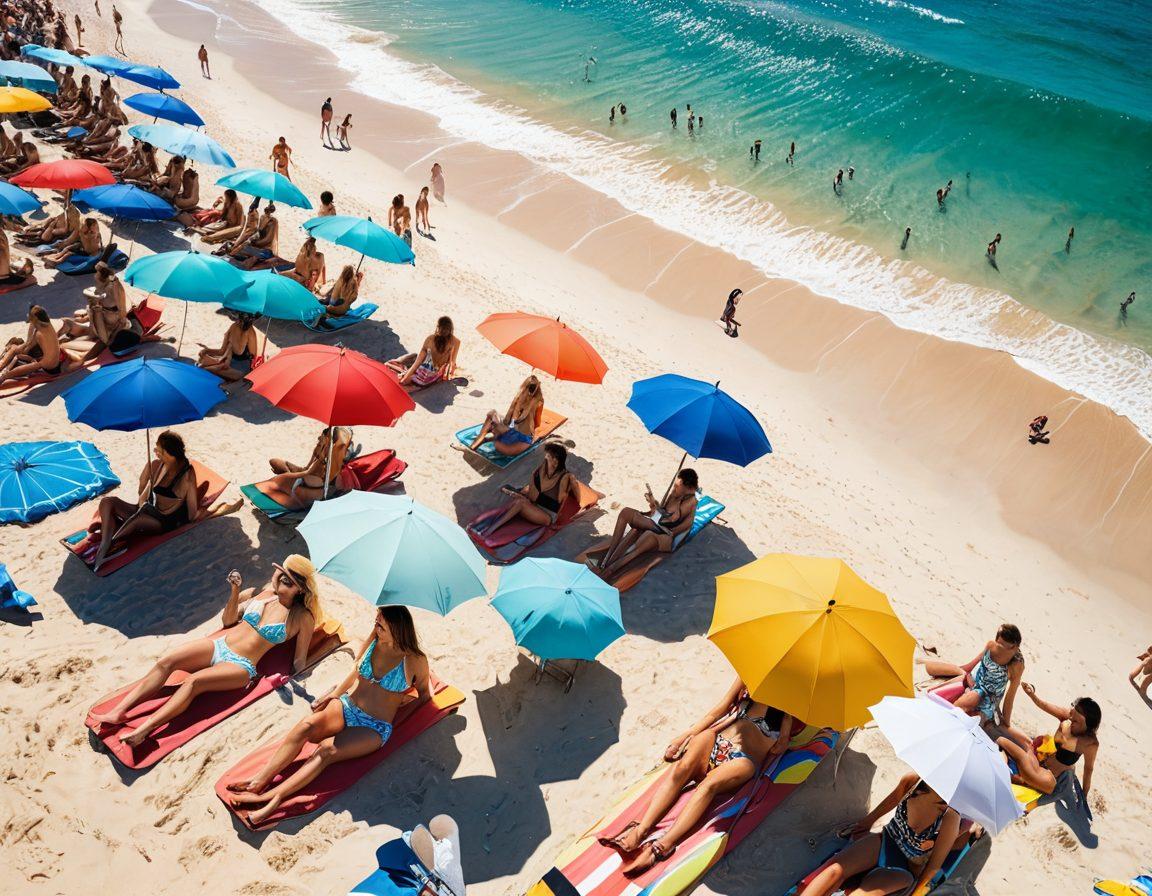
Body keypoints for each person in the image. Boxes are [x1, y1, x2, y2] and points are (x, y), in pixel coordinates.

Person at [226, 605, 432, 827]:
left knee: (327, 750)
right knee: (306, 725)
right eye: (376, 622)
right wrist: (333, 695)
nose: (375, 626)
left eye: (380, 624)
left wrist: (402, 701)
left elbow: (424, 694)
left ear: (397, 627)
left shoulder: (413, 660)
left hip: (374, 726)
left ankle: (271, 798)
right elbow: (355, 671)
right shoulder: (374, 641)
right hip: (347, 707)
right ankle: (260, 780)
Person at [89, 558, 323, 746]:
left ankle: (144, 730)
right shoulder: (263, 594)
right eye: (280, 574)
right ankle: (119, 712)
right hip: (220, 645)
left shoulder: (302, 617)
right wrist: (235, 591)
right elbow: (228, 620)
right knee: (167, 661)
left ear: (300, 589)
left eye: (288, 580)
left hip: (241, 666)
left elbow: (299, 660)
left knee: (193, 683)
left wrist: (290, 679)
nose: (281, 580)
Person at [599, 676, 793, 876]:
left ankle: (663, 846)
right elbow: (718, 711)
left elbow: (779, 748)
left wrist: (786, 719)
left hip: (743, 760)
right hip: (717, 741)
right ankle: (641, 831)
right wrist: (682, 738)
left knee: (708, 786)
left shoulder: (789, 706)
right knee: (682, 768)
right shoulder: (750, 677)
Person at [795, 773, 960, 896]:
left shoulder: (947, 814)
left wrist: (915, 893)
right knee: (834, 872)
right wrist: (866, 823)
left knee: (844, 881)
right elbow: (891, 801)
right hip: (888, 846)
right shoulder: (915, 782)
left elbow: (933, 866)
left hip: (901, 864)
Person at [88, 431, 202, 572]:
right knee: (107, 502)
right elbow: (141, 495)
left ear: (168, 452)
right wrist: (145, 476)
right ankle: (106, 542)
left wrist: (199, 516)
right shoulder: (156, 465)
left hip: (163, 521)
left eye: (158, 449)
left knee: (137, 519)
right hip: (144, 509)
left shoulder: (187, 475)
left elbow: (191, 512)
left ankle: (109, 546)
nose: (155, 451)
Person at [589, 470, 698, 580]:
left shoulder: (691, 502)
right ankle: (607, 557)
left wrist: (655, 513)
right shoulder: (676, 494)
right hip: (657, 525)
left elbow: (673, 523)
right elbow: (662, 511)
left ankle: (610, 569)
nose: (675, 488)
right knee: (626, 512)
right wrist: (653, 503)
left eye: (677, 486)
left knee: (647, 539)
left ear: (686, 486)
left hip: (667, 535)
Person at [996, 688, 1100, 798]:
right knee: (1022, 743)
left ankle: (1000, 739)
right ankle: (998, 735)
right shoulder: (1068, 718)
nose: (1070, 718)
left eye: (1075, 720)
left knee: (1020, 771)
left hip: (1052, 777)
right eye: (1072, 712)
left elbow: (1088, 770)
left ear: (1087, 724)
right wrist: (1032, 695)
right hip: (1042, 761)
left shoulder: (1090, 744)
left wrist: (1084, 795)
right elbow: (1044, 705)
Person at [923, 623, 1024, 726]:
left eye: (1003, 647)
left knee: (957, 712)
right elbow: (970, 666)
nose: (998, 647)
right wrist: (960, 675)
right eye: (998, 643)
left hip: (985, 696)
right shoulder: (991, 645)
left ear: (1015, 648)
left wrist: (1006, 723)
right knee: (931, 688)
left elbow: (1010, 696)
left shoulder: (1017, 666)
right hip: (972, 681)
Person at [478, 444, 576, 538]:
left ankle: (490, 530)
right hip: (534, 504)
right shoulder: (543, 468)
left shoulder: (564, 477)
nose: (545, 457)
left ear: (555, 460)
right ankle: (491, 522)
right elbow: (535, 486)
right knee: (516, 496)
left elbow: (562, 502)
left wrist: (558, 522)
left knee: (520, 503)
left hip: (548, 514)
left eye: (548, 456)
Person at [57, 262, 128, 356]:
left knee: (64, 345)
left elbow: (104, 340)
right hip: (100, 326)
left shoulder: (110, 299)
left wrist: (95, 309)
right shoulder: (110, 287)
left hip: (105, 333)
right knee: (70, 319)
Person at [268, 427, 352, 502]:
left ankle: (287, 477)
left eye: (321, 439)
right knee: (276, 463)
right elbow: (307, 468)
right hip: (311, 481)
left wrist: (287, 476)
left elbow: (307, 472)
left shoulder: (329, 460)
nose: (319, 439)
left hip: (314, 487)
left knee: (279, 472)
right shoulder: (324, 453)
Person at [469, 375, 544, 457]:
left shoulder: (520, 396)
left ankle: (476, 443)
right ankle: (487, 438)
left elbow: (509, 419)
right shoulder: (539, 401)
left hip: (516, 436)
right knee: (500, 424)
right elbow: (537, 423)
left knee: (492, 414)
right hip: (523, 438)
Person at [0, 306, 71, 386]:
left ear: (35, 320)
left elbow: (27, 346)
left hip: (47, 367)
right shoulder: (48, 325)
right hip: (56, 364)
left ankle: (3, 375)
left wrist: (16, 349)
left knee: (14, 350)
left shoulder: (39, 334)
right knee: (19, 350)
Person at [386, 315, 459, 388]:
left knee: (412, 357)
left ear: (438, 327)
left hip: (423, 376)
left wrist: (406, 377)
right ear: (451, 329)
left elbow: (417, 362)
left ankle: (406, 368)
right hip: (434, 377)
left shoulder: (430, 339)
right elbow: (451, 364)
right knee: (416, 357)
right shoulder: (455, 342)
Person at [197, 313, 259, 382]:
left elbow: (253, 357)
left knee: (206, 369)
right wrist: (206, 351)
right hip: (229, 362)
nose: (237, 321)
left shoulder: (250, 333)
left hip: (241, 369)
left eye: (240, 320)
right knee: (201, 361)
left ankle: (218, 366)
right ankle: (218, 365)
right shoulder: (233, 327)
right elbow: (222, 351)